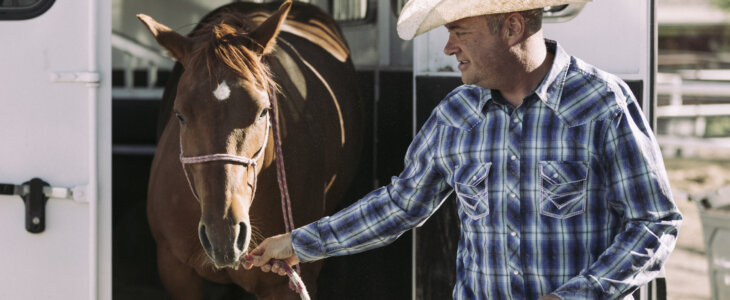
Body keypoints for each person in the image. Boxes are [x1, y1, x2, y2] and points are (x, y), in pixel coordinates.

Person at [244, 0, 683, 299]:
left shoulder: (602, 102)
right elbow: (400, 205)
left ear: (511, 26)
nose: (449, 47)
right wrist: (300, 243)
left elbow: (655, 222)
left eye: (460, 32)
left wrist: (580, 295)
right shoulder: (455, 115)